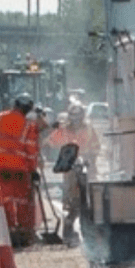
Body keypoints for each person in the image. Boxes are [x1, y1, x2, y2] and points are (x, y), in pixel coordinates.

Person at [0, 93, 40, 246]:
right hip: (20, 169)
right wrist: (33, 170)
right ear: (27, 109)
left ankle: (8, 230)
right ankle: (23, 233)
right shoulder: (28, 125)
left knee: (4, 199)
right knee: (23, 200)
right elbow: (31, 150)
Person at [45, 103, 100, 245]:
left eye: (78, 115)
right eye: (73, 115)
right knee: (73, 203)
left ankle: (91, 233)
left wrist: (90, 156)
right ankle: (68, 231)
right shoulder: (63, 130)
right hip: (70, 172)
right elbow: (51, 143)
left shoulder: (88, 129)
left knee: (90, 203)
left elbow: (96, 147)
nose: (75, 118)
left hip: (87, 170)